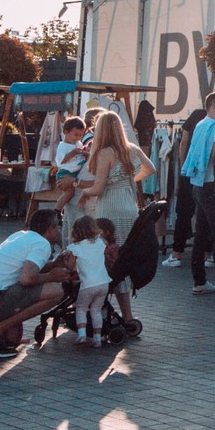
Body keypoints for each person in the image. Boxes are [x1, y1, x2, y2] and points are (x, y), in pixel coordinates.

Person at [0, 208, 75, 359]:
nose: (60, 231)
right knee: (56, 291)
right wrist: (51, 276)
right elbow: (27, 278)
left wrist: (53, 265)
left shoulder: (21, 235)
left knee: (30, 293)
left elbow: (25, 269)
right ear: (51, 229)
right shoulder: (42, 244)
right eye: (58, 226)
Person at [75, 112, 155, 327]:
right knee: (123, 259)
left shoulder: (104, 153)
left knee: (109, 261)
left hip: (109, 207)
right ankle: (128, 316)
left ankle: (100, 311)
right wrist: (127, 178)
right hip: (129, 207)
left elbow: (99, 188)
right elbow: (151, 169)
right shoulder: (132, 149)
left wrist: (83, 191)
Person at [179, 92, 215, 295]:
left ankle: (200, 281)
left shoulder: (201, 124)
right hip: (213, 184)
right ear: (214, 105)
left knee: (201, 234)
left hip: (199, 184)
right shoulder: (213, 128)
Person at [163, 106, 206, 267]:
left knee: (183, 212)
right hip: (202, 174)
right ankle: (206, 254)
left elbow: (184, 142)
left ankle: (177, 253)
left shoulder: (196, 117)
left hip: (190, 171)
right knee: (204, 215)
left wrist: (183, 167)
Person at [66, 214, 112, 347]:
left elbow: (70, 266)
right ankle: (97, 338)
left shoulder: (75, 247)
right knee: (96, 310)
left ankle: (82, 334)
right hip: (104, 283)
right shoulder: (100, 242)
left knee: (81, 308)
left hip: (88, 284)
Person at [52, 116, 90, 213]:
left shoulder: (78, 143)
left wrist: (84, 153)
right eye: (75, 134)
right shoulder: (63, 146)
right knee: (69, 192)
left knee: (72, 193)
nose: (78, 138)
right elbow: (61, 160)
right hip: (65, 173)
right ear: (65, 132)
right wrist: (73, 153)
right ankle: (57, 210)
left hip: (74, 172)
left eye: (81, 135)